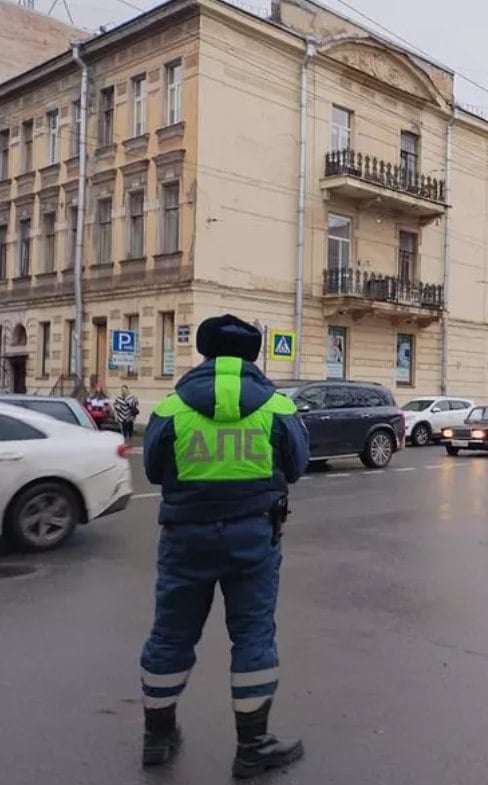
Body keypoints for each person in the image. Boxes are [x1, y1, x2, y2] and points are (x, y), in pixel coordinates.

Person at [139, 314, 310, 778]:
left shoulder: (173, 407)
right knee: (253, 637)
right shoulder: (277, 407)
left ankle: (157, 738)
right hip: (254, 539)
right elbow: (297, 465)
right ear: (253, 355)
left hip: (184, 538)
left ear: (205, 353)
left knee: (171, 635)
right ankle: (253, 746)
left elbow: (153, 470)